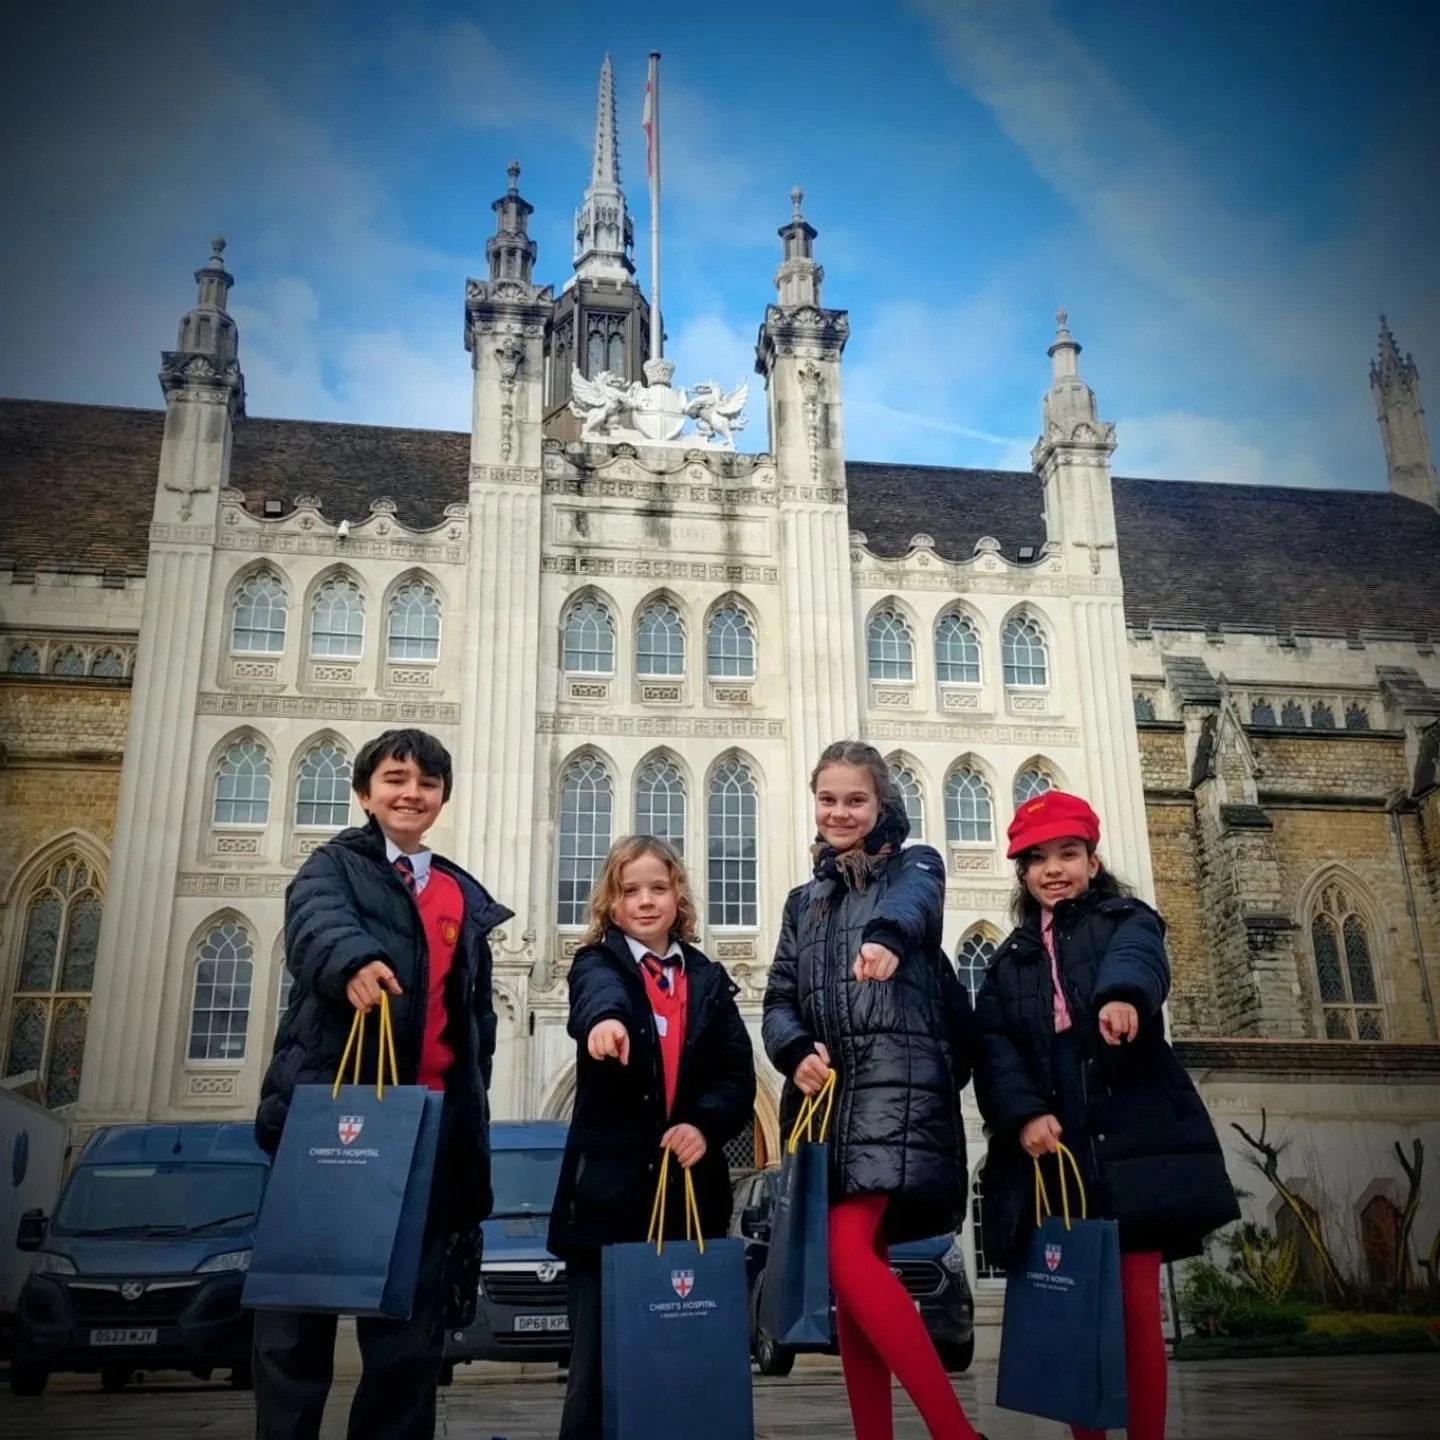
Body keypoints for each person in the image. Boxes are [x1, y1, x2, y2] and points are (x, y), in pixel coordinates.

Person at [251, 728, 512, 1440]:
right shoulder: (332, 866)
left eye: (427, 783)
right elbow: (315, 924)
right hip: (331, 1122)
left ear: (442, 798)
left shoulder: (459, 892)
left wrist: (470, 1104)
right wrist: (355, 961)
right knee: (296, 1326)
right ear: (366, 793)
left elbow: (471, 1021)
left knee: (406, 1335)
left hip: (423, 1135)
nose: (411, 793)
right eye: (396, 779)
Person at [974, 788, 1240, 1440]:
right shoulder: (1009, 961)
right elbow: (996, 1049)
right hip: (1057, 1149)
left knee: (1134, 1308)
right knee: (1075, 1317)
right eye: (1038, 859)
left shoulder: (1127, 918)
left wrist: (1122, 998)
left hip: (1129, 1132)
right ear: (1023, 872)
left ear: (1092, 861)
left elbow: (1139, 961)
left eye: (1068, 853)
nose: (1054, 869)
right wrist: (1025, 1116)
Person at [762, 741, 986, 1440]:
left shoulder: (913, 866)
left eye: (855, 799)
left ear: (882, 804)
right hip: (828, 1107)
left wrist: (886, 938)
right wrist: (794, 1049)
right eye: (827, 798)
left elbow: (917, 906)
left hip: (896, 1091)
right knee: (858, 1282)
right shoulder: (804, 903)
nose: (839, 812)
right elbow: (777, 1000)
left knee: (847, 1253)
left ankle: (953, 1431)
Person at [547, 835, 756, 1440]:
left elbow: (734, 1076)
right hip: (608, 1201)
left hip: (688, 1200)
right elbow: (597, 998)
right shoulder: (598, 964)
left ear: (678, 895)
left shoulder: (709, 980)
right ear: (611, 904)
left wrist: (703, 1124)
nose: (644, 901)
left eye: (657, 888)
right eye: (629, 890)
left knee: (684, 1361)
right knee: (598, 1366)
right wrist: (606, 1022)